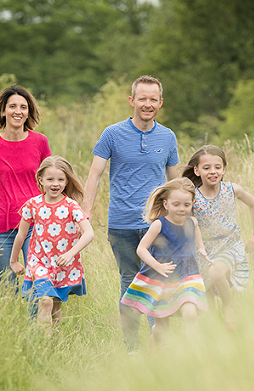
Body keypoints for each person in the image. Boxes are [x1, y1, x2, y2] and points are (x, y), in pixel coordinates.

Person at [83, 75, 179, 353]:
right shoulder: (112, 134)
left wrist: (187, 217)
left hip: (158, 225)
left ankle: (156, 342)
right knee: (129, 283)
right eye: (142, 99)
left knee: (157, 283)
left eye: (153, 99)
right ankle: (132, 349)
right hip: (122, 224)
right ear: (132, 101)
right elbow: (95, 174)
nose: (147, 104)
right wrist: (85, 212)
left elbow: (175, 183)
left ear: (160, 102)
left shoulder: (168, 136)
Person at [0, 85, 52, 289]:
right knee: (6, 289)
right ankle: (11, 322)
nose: (18, 111)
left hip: (36, 224)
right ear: (3, 110)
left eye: (23, 107)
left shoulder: (40, 142)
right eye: (12, 106)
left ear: (28, 113)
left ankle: (38, 323)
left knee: (39, 285)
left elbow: (53, 182)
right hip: (1, 225)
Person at [120, 178, 210, 347]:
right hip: (163, 277)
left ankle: (196, 351)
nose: (181, 209)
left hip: (188, 274)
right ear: (166, 204)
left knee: (190, 312)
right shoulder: (159, 225)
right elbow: (141, 249)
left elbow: (198, 240)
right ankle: (156, 347)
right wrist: (157, 266)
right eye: (176, 204)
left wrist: (202, 250)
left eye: (186, 204)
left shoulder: (193, 222)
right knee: (161, 326)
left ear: (192, 204)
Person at [9, 156, 94, 331]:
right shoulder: (33, 205)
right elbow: (21, 235)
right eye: (50, 179)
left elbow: (89, 233)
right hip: (39, 261)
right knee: (46, 301)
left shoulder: (71, 206)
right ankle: (42, 344)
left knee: (55, 307)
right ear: (41, 180)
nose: (55, 184)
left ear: (66, 181)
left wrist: (70, 253)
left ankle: (53, 344)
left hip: (63, 264)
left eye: (60, 179)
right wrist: (14, 260)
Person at [181, 145, 254, 328]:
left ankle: (228, 308)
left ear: (224, 169)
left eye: (218, 167)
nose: (213, 172)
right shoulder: (193, 196)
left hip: (229, 246)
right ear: (197, 170)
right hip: (203, 251)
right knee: (207, 306)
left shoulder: (232, 189)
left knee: (216, 272)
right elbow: (184, 220)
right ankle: (218, 339)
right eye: (206, 167)